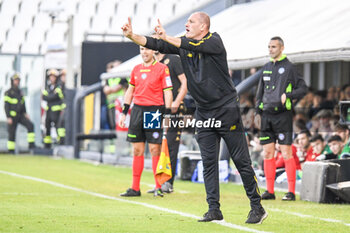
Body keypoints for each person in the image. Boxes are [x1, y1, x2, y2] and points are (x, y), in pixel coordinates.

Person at [121, 12, 267, 224]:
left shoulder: (214, 41)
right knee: (208, 162)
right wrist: (132, 35)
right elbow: (153, 43)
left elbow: (185, 44)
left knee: (241, 160)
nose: (187, 24)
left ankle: (257, 206)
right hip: (204, 112)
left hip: (226, 109)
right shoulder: (184, 44)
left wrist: (166, 37)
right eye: (187, 21)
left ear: (203, 26)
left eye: (191, 22)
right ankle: (213, 209)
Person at [255, 36, 307, 201]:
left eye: (274, 47)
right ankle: (269, 191)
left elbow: (303, 88)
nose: (270, 50)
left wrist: (289, 95)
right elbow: (260, 91)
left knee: (286, 152)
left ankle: (291, 192)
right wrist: (258, 110)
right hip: (266, 115)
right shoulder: (266, 67)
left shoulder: (290, 67)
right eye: (269, 47)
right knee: (267, 152)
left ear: (282, 48)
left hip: (283, 115)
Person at [118, 45, 173, 198]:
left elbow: (168, 91)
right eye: (142, 49)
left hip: (154, 112)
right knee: (137, 150)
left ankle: (158, 187)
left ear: (153, 51)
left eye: (147, 49)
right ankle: (135, 188)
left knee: (155, 149)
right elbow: (130, 91)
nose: (144, 52)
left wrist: (167, 115)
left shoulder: (162, 69)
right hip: (137, 111)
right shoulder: (135, 69)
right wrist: (124, 112)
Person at [154, 49, 187, 193]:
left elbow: (185, 82)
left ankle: (169, 182)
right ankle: (159, 182)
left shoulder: (173, 59)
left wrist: (176, 101)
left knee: (171, 143)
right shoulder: (153, 64)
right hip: (156, 110)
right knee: (157, 144)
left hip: (173, 109)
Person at [4, 73, 36, 153]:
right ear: (12, 81)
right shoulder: (8, 92)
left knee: (30, 125)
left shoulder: (20, 92)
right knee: (12, 134)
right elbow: (6, 106)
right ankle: (11, 150)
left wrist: (25, 113)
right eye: (16, 80)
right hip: (12, 116)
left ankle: (31, 146)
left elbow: (23, 104)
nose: (17, 82)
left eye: (18, 80)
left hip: (20, 115)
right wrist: (8, 117)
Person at [42, 69, 64, 148]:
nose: (52, 78)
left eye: (53, 77)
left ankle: (61, 144)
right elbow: (44, 97)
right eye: (51, 77)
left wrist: (49, 96)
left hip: (56, 111)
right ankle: (47, 145)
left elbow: (56, 96)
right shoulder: (47, 87)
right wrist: (51, 96)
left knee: (58, 127)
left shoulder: (59, 86)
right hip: (49, 111)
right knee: (47, 127)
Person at [57, 69, 66, 145]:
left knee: (63, 125)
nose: (63, 77)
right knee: (60, 125)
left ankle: (64, 142)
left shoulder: (68, 86)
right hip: (63, 109)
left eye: (64, 75)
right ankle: (61, 142)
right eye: (62, 76)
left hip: (67, 109)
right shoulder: (60, 86)